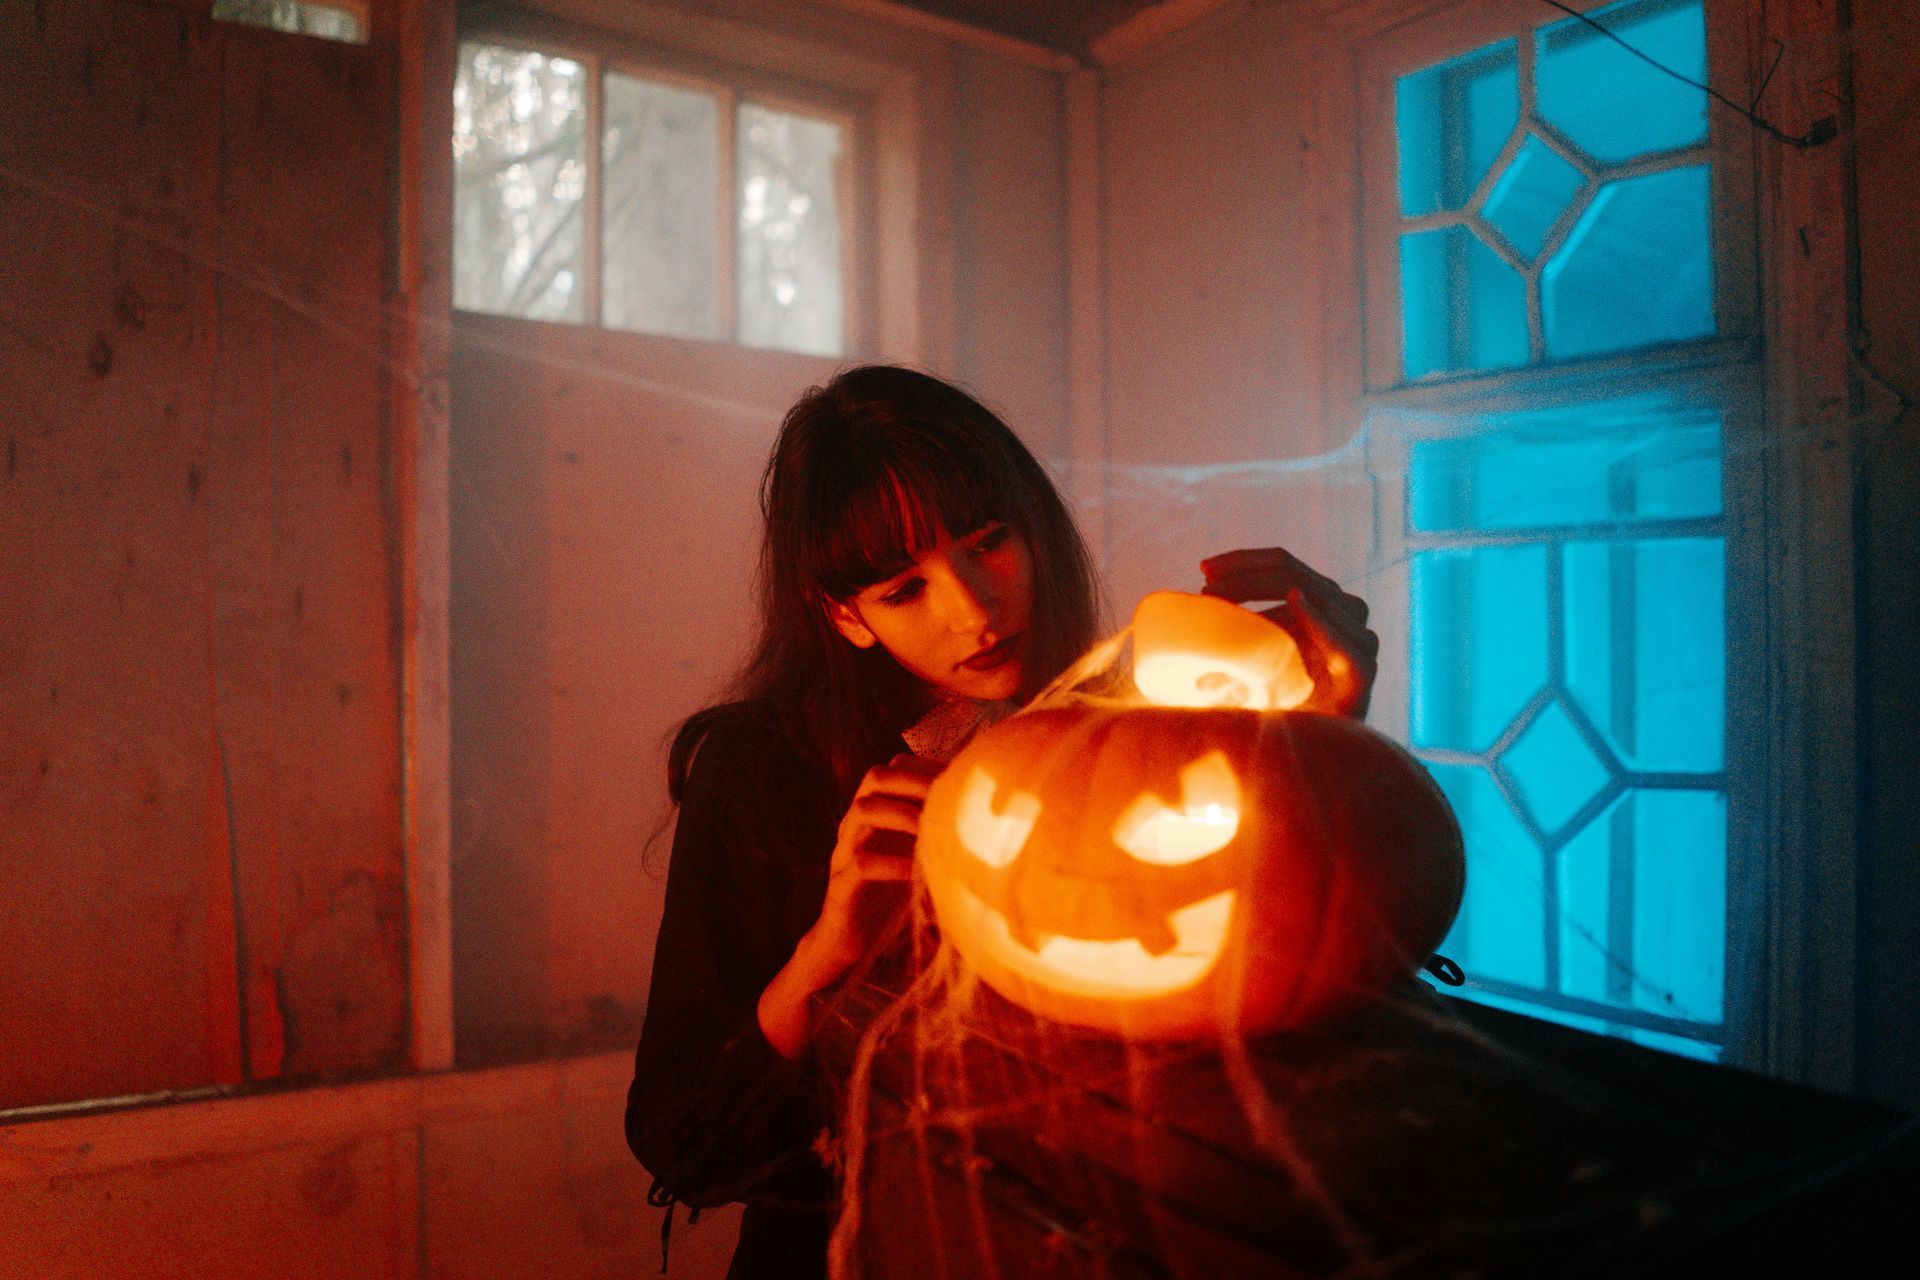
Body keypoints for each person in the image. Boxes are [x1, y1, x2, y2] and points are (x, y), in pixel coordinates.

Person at [624, 364, 1378, 1280]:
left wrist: (1322, 752)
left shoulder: (1133, 725)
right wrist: (829, 948)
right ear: (846, 617)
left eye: (989, 543)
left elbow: (1257, 975)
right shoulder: (763, 773)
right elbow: (689, 1147)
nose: (974, 611)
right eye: (904, 589)